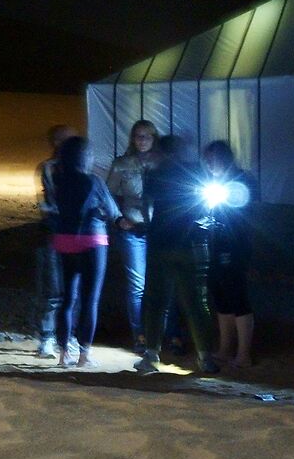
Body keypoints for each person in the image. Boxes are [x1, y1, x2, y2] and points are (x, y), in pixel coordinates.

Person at [135, 136, 219, 374]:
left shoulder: (155, 174)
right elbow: (209, 207)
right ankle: (205, 357)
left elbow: (147, 207)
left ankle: (151, 356)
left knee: (156, 301)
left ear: (164, 153)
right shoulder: (198, 172)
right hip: (193, 245)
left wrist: (150, 226)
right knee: (196, 303)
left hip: (161, 245)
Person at [44, 134, 121, 368]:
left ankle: (63, 353)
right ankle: (84, 354)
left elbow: (51, 209)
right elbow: (112, 211)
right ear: (86, 157)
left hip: (64, 241)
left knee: (67, 298)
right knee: (90, 300)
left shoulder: (58, 181)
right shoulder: (94, 181)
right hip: (92, 240)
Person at [200, 140, 258, 369]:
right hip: (215, 244)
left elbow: (245, 212)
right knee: (221, 297)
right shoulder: (213, 182)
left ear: (226, 158)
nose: (211, 163)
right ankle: (225, 349)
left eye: (215, 158)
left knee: (237, 297)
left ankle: (243, 354)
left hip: (235, 246)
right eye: (208, 159)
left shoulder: (242, 180)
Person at [106, 120, 158, 350]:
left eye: (147, 136)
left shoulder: (162, 164)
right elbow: (108, 195)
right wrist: (118, 219)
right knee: (138, 284)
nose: (142, 140)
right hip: (133, 231)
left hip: (159, 231)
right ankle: (140, 335)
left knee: (161, 282)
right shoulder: (122, 165)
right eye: (138, 136)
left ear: (154, 138)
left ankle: (167, 333)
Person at [34, 124, 72, 357]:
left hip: (74, 233)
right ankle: (47, 337)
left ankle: (68, 336)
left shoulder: (79, 169)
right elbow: (48, 204)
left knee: (72, 289)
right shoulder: (49, 168)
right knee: (54, 289)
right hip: (56, 232)